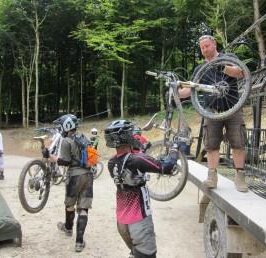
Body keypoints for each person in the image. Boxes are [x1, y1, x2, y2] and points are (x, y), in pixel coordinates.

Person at [179, 35, 248, 192]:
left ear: (214, 44)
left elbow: (241, 73)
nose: (205, 49)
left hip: (233, 108)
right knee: (211, 145)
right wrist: (175, 89)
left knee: (238, 143)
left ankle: (240, 177)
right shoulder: (200, 69)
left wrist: (222, 67)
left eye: (207, 46)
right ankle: (212, 176)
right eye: (202, 48)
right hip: (211, 111)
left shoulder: (228, 58)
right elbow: (189, 90)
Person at [105, 119, 178, 258]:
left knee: (136, 253)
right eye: (132, 134)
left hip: (122, 223)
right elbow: (167, 167)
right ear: (127, 137)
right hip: (139, 220)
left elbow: (134, 159)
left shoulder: (111, 162)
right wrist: (175, 148)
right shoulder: (137, 160)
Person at [46, 114, 93, 252]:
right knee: (83, 208)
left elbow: (65, 162)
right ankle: (79, 242)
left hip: (74, 176)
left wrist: (51, 157)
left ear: (66, 126)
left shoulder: (66, 141)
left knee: (70, 204)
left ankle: (68, 228)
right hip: (88, 175)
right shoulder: (83, 137)